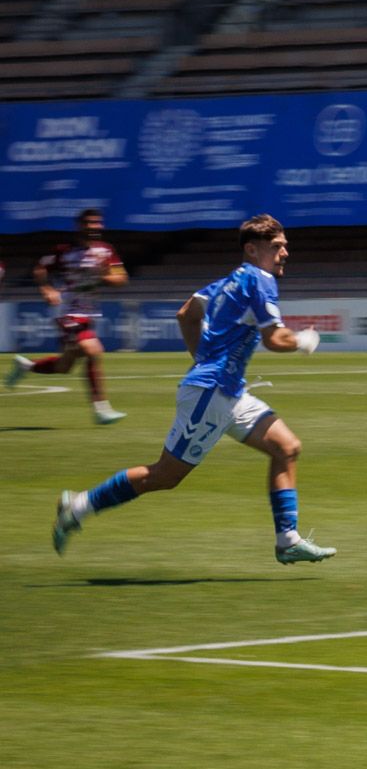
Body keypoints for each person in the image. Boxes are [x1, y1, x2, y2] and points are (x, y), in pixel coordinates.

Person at [49, 215, 335, 565]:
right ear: (252, 249)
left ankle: (287, 540)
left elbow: (186, 313)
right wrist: (303, 340)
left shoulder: (227, 282)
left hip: (227, 391)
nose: (285, 253)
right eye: (277, 247)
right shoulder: (260, 280)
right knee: (165, 475)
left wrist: (202, 358)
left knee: (286, 447)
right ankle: (79, 507)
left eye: (285, 246)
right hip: (212, 393)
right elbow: (274, 338)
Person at [6, 209, 129, 424]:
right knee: (93, 349)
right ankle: (101, 409)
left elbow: (122, 279)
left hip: (88, 313)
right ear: (80, 225)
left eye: (98, 223)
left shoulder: (106, 250)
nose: (95, 227)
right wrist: (47, 289)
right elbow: (40, 269)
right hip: (67, 311)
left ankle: (26, 366)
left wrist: (103, 276)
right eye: (90, 222)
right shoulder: (64, 251)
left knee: (65, 366)